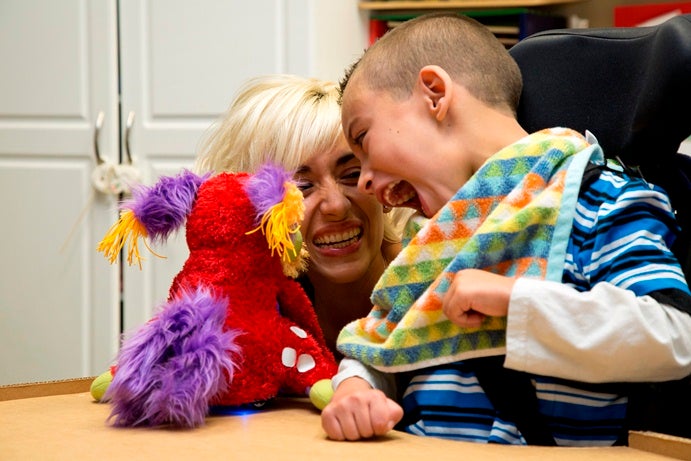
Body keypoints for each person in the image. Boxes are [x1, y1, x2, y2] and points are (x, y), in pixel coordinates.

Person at [321, 13, 691, 446]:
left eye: (363, 137)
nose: (364, 182)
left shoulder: (595, 197)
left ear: (435, 94)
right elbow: (380, 342)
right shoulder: (432, 239)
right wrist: (356, 389)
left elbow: (674, 337)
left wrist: (517, 302)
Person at [195, 74, 409, 360]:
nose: (336, 205)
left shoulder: (430, 282)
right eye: (301, 187)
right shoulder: (250, 307)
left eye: (352, 175)